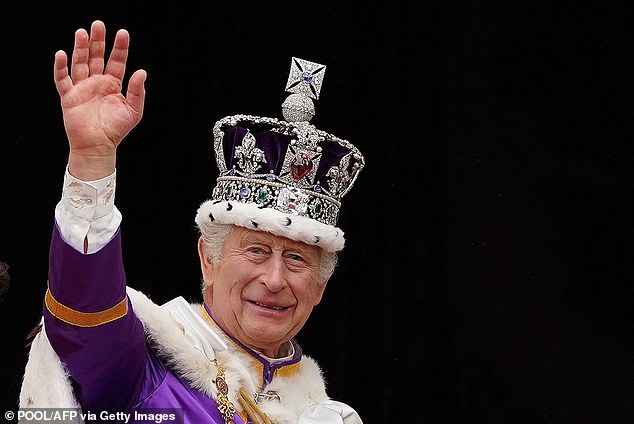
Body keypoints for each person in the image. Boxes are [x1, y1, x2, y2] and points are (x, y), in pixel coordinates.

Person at [20, 20, 365, 424]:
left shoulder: (322, 412)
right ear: (208, 259)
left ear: (320, 285)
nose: (274, 279)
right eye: (256, 250)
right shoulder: (146, 367)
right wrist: (92, 161)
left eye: (296, 259)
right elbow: (84, 309)